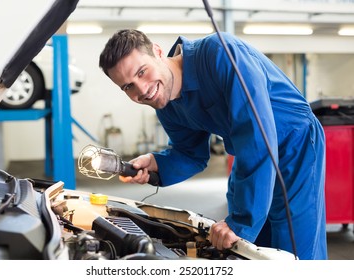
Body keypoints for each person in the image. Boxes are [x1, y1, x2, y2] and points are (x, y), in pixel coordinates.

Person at [99, 29, 327, 260]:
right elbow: (191, 155)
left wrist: (241, 222)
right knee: (254, 248)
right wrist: (157, 162)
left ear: (157, 52)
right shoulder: (167, 105)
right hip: (248, 151)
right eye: (128, 86)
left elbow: (257, 135)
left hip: (295, 143)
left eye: (142, 72)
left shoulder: (220, 54)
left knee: (293, 245)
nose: (142, 90)